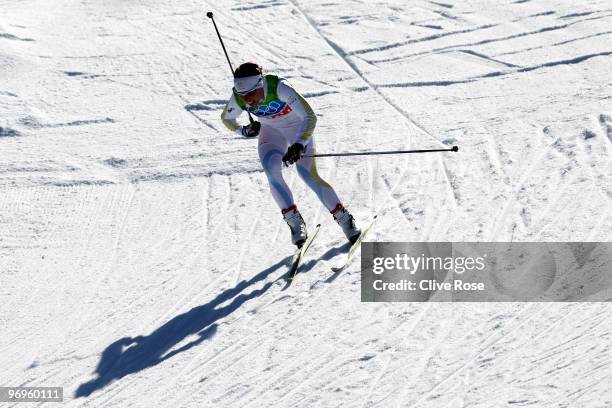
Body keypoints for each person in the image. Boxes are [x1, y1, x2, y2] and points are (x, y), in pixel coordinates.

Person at [220, 62, 360, 248]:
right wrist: (243, 131)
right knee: (271, 170)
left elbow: (309, 116)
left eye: (251, 95)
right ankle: (295, 222)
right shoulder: (239, 98)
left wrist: (299, 144)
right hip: (271, 132)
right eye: (242, 96)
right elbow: (227, 118)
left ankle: (345, 220)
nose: (247, 101)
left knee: (307, 175)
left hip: (298, 129)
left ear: (260, 85)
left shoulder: (280, 88)